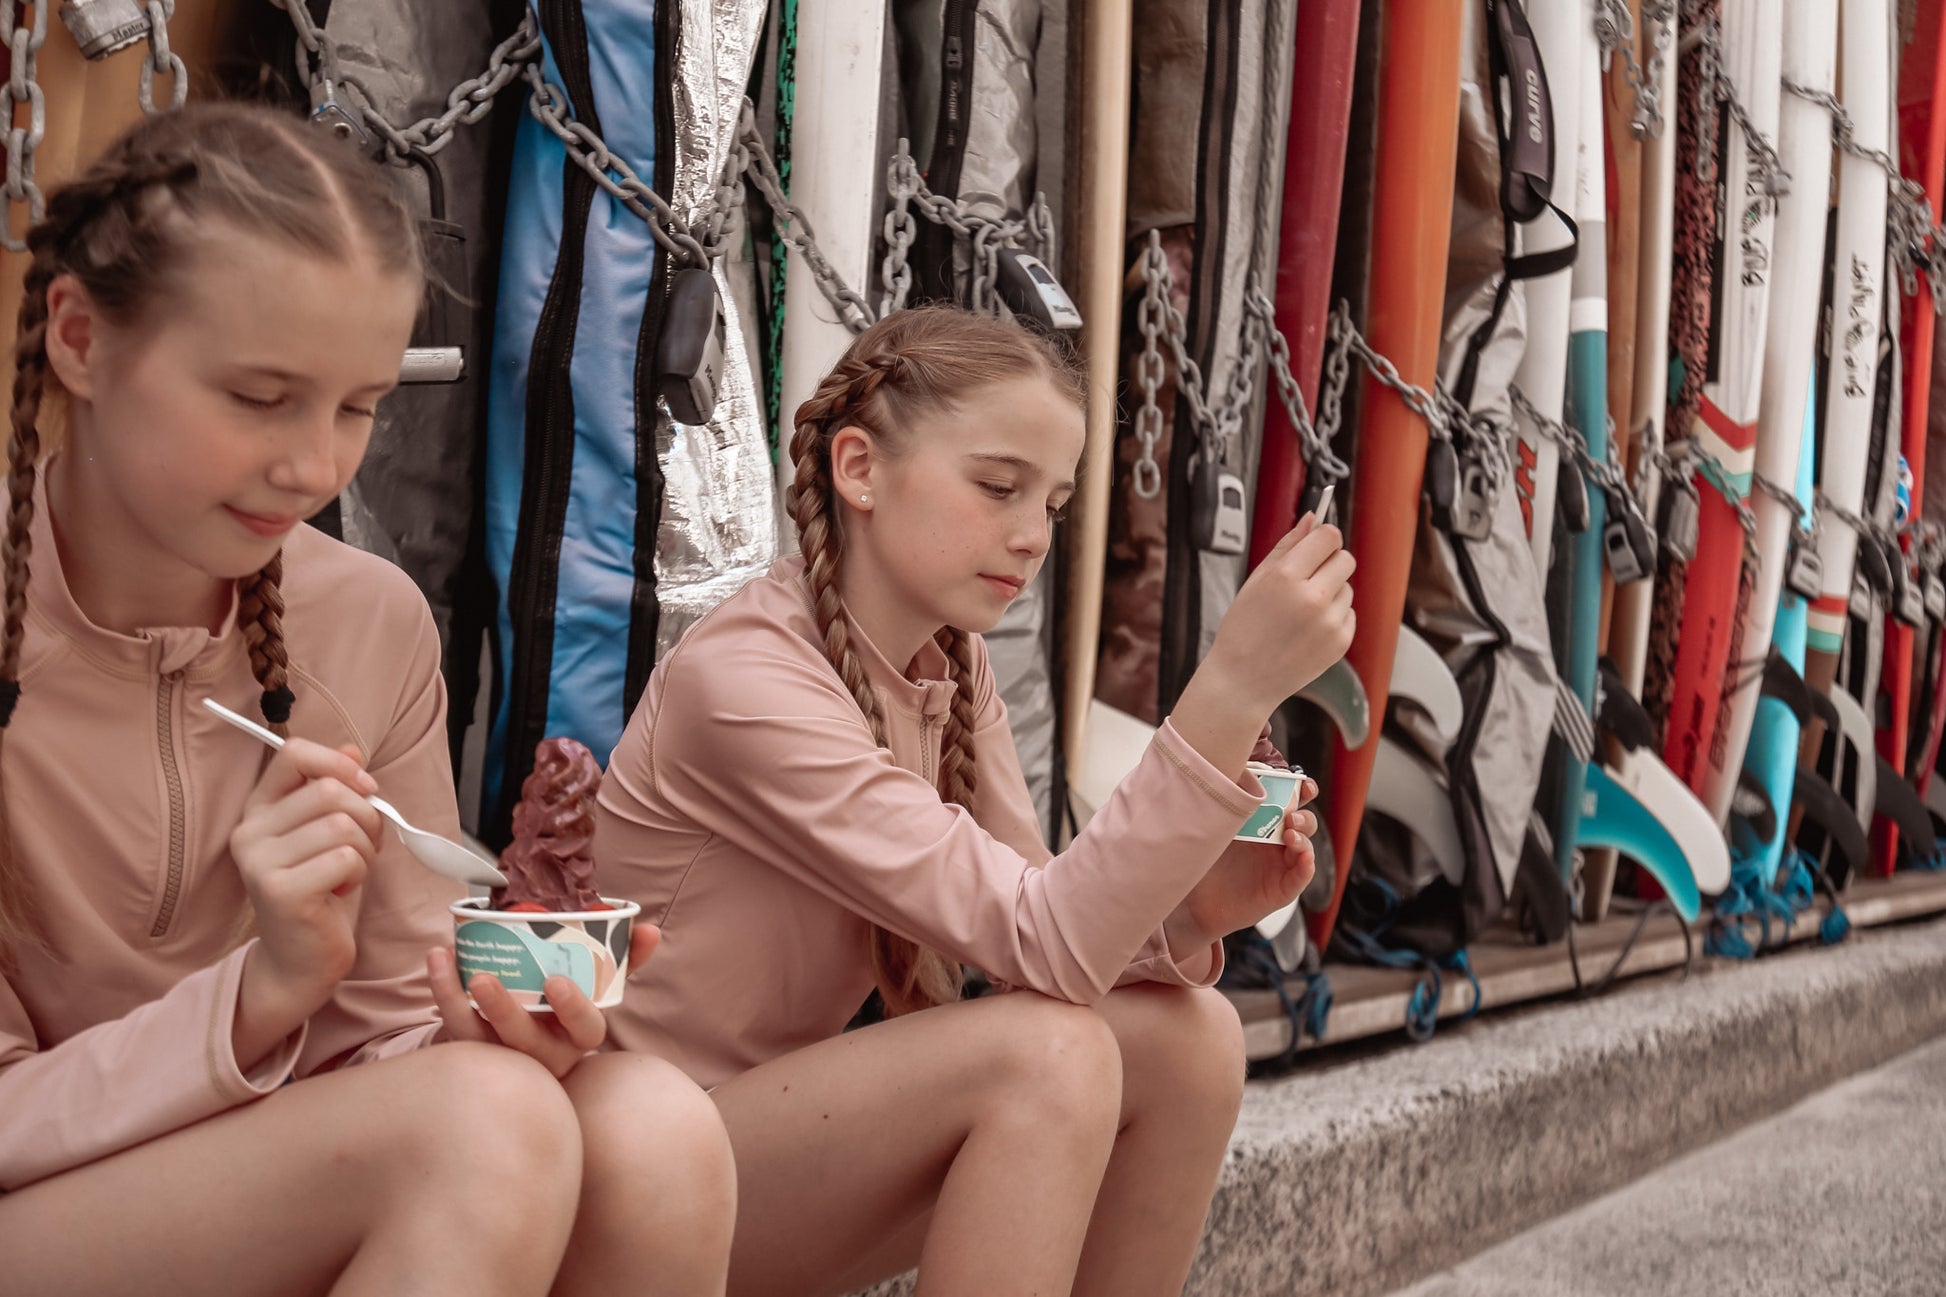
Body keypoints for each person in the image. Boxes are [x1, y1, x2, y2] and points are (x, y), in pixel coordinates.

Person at [0, 102, 734, 1296]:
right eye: (258, 397)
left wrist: (484, 1021)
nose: (314, 467)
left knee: (651, 1127)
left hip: (256, 1183)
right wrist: (258, 997)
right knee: (483, 1127)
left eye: (356, 408)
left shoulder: (366, 620)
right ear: (80, 339)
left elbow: (385, 1032)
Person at [597, 305, 1356, 1296]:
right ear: (859, 468)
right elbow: (1048, 941)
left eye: (1053, 504)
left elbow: (1041, 928)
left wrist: (1195, 909)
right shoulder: (747, 680)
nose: (1031, 536)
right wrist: (1231, 688)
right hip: (640, 1184)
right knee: (1047, 1056)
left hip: (767, 1148)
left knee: (1191, 1042)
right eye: (999, 486)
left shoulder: (948, 663)